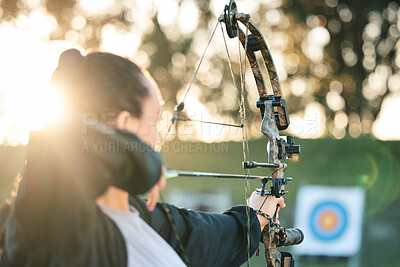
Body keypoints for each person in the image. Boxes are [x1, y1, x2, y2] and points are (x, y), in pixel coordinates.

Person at [0, 49, 285, 267]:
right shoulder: (55, 225)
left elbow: (204, 236)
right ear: (126, 125)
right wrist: (142, 163)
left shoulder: (141, 216)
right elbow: (59, 142)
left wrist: (256, 215)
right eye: (154, 122)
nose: (157, 139)